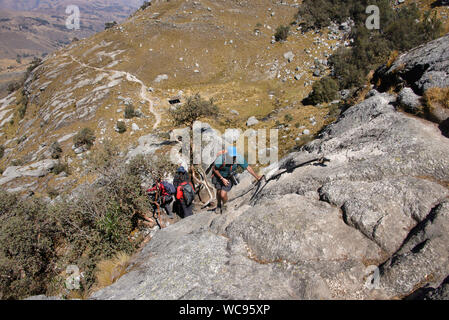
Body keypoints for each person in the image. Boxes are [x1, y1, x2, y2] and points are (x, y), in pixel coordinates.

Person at [212, 146, 262, 214]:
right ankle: (218, 205)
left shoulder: (239, 158)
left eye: (234, 156)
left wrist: (257, 177)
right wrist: (221, 178)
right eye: (231, 156)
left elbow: (248, 168)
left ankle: (224, 206)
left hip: (229, 177)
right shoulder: (221, 159)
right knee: (218, 191)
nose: (233, 158)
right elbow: (215, 169)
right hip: (218, 176)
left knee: (223, 194)